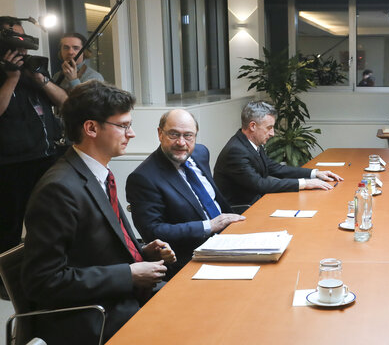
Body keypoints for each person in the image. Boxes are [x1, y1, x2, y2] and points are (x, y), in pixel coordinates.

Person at [21, 81, 175, 345]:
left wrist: (143, 250)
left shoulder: (96, 175)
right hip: (92, 318)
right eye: (123, 125)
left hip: (118, 300)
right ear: (91, 128)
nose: (132, 133)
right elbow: (42, 282)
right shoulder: (59, 189)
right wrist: (128, 274)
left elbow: (99, 246)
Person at [126, 109, 245, 280]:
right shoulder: (143, 178)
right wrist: (209, 225)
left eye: (188, 136)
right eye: (174, 134)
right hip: (192, 258)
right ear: (160, 134)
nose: (181, 142)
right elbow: (153, 231)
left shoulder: (200, 153)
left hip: (230, 239)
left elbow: (212, 199)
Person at [0, 16, 68, 255]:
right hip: (10, 165)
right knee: (8, 227)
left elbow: (67, 103)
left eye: (22, 37)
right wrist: (11, 78)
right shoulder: (6, 74)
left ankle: (49, 269)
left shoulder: (34, 68)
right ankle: (6, 283)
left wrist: (41, 79)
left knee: (50, 220)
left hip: (46, 158)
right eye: (13, 37)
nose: (20, 44)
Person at [214, 101, 343, 207]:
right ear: (252, 126)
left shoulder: (250, 143)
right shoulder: (236, 151)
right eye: (269, 128)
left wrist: (315, 173)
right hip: (243, 211)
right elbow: (260, 184)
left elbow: (275, 168)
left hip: (258, 203)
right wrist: (305, 183)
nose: (272, 134)